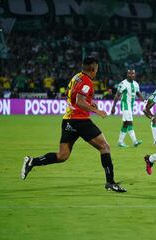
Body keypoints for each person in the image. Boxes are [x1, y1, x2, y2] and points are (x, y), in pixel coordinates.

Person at [21, 57, 126, 193]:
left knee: (62, 155)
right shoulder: (87, 82)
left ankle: (32, 161)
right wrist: (96, 110)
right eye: (96, 70)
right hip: (80, 120)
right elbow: (80, 101)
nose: (96, 72)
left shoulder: (77, 77)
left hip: (68, 120)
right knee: (104, 147)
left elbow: (69, 94)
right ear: (92, 69)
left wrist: (89, 102)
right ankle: (110, 183)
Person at [111, 69, 144, 147]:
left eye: (133, 73)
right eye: (129, 73)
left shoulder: (136, 84)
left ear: (135, 74)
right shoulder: (123, 83)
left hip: (131, 106)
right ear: (127, 74)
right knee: (129, 122)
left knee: (125, 124)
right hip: (125, 105)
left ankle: (120, 142)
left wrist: (145, 102)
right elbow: (117, 95)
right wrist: (113, 107)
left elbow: (138, 94)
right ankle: (135, 141)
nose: (131, 75)